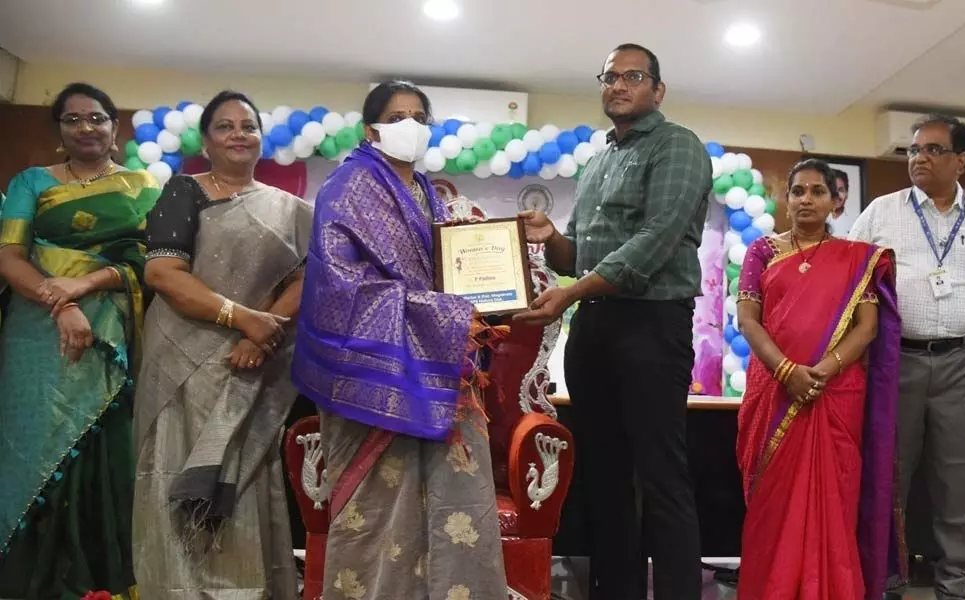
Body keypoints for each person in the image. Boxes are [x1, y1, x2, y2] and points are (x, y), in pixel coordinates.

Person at [291, 80, 509, 599]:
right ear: (370, 130)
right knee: (377, 516)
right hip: (374, 377)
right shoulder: (348, 188)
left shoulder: (426, 192)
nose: (408, 126)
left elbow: (446, 275)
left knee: (459, 506)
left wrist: (483, 297)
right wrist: (447, 315)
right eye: (395, 117)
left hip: (438, 367)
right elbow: (342, 291)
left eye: (418, 116)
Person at [516, 43, 711, 599]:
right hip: (594, 330)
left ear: (657, 89)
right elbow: (577, 254)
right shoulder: (597, 160)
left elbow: (653, 245)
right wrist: (550, 238)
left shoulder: (679, 146)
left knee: (661, 476)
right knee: (603, 474)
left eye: (633, 76)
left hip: (651, 327)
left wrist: (570, 292)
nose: (618, 85)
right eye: (609, 76)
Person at [132, 90, 312, 599]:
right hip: (183, 365)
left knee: (247, 476)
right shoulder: (184, 192)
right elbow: (163, 273)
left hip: (250, 367)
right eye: (224, 126)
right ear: (206, 142)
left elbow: (308, 277)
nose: (238, 134)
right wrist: (242, 317)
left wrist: (264, 331)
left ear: (261, 138)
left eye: (248, 126)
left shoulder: (291, 210)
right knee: (175, 471)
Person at [0, 82, 160, 599]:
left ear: (116, 128)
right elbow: (8, 257)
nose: (85, 127)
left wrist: (86, 285)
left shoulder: (144, 185)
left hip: (113, 327)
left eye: (96, 118)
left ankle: (100, 580)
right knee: (30, 441)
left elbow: (151, 262)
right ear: (59, 131)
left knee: (105, 442)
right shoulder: (32, 182)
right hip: (36, 332)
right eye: (72, 119)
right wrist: (64, 305)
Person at [735, 159, 904, 600]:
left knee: (835, 497)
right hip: (774, 389)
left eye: (816, 191)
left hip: (836, 392)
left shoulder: (857, 260)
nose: (806, 199)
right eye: (798, 191)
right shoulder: (763, 251)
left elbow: (867, 328)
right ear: (786, 199)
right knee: (773, 501)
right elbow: (748, 320)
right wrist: (787, 371)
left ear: (835, 201)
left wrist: (822, 372)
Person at [850, 114, 965, 599]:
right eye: (914, 150)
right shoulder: (879, 213)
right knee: (889, 472)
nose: (919, 158)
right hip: (896, 361)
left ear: (961, 160)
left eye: (933, 150)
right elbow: (851, 284)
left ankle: (959, 585)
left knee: (962, 480)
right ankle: (884, 580)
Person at [827, 168, 853, 236]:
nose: (836, 195)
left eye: (840, 190)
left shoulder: (855, 221)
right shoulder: (818, 220)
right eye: (832, 190)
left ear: (847, 193)